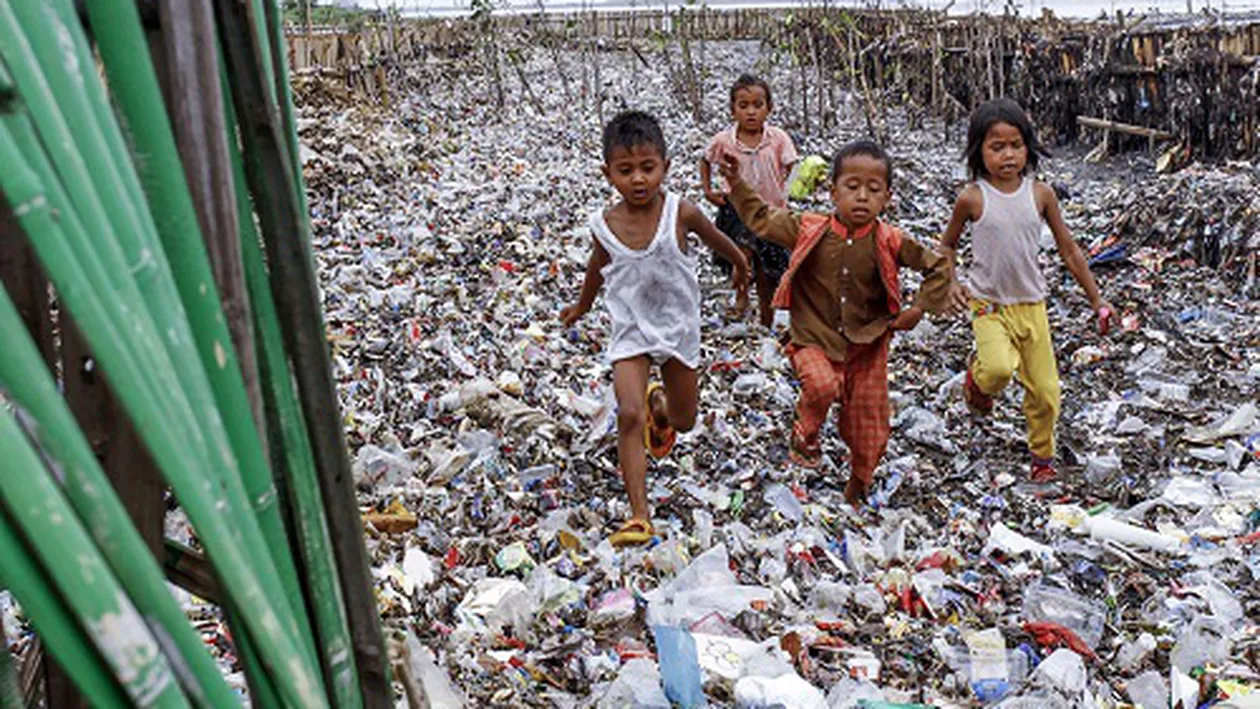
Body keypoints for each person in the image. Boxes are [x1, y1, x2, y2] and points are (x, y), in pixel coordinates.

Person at [719, 140, 951, 509]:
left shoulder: (890, 240)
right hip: (813, 335)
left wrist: (919, 308)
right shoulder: (809, 228)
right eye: (852, 187)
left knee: (870, 430)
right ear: (833, 192)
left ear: (887, 197)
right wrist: (737, 184)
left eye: (873, 190)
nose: (862, 197)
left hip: (867, 345)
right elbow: (762, 218)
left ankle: (858, 485)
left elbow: (937, 267)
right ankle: (805, 436)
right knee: (821, 385)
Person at [560, 110, 749, 546]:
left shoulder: (680, 213)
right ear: (607, 173)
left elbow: (717, 240)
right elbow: (598, 266)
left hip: (677, 327)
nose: (639, 179)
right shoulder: (604, 225)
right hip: (631, 330)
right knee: (628, 414)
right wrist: (582, 306)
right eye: (625, 171)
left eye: (648, 168)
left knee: (684, 421)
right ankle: (639, 515)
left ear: (665, 165)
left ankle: (660, 408)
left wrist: (740, 265)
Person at [939, 98, 1113, 482]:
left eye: (1015, 145)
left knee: (1046, 391)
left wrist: (1096, 299)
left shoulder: (1041, 194)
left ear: (1028, 147)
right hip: (988, 305)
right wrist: (950, 282)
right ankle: (977, 383)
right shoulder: (972, 197)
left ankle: (1042, 457)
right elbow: (947, 244)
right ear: (978, 150)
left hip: (1032, 305)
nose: (1007, 155)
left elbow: (1068, 249)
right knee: (998, 370)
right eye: (996, 147)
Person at [699, 74, 799, 328]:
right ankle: (741, 293)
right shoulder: (724, 141)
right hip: (736, 210)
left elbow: (793, 165)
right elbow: (705, 159)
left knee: (768, 272)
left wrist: (786, 190)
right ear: (733, 110)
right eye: (743, 106)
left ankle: (767, 319)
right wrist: (709, 190)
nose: (751, 112)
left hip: (770, 212)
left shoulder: (777, 139)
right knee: (741, 256)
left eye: (758, 105)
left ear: (769, 108)